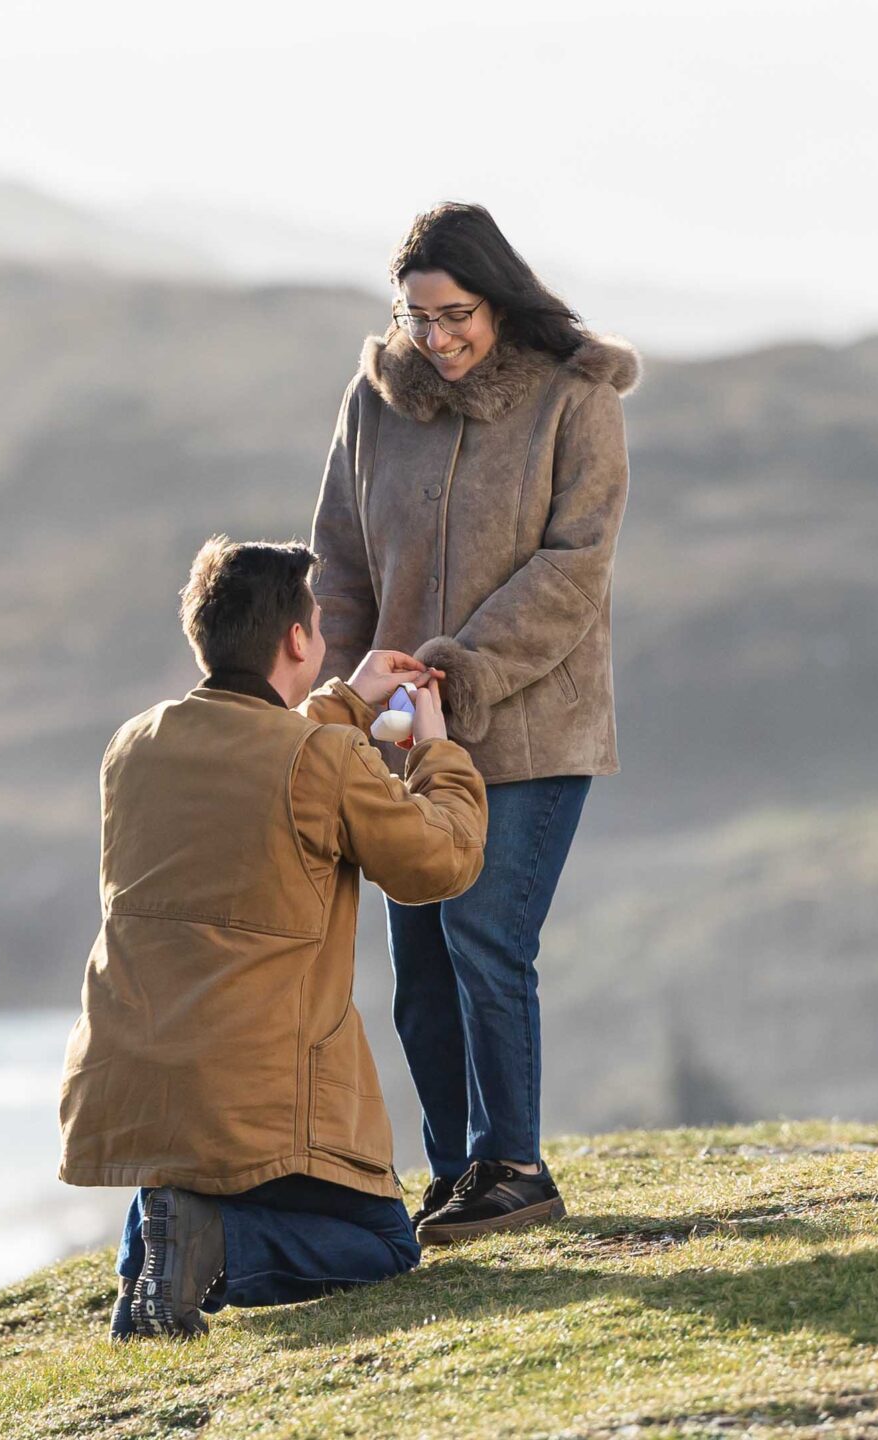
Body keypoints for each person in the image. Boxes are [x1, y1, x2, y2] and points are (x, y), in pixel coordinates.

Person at [57, 537, 488, 1339]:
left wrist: (348, 702)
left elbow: (261, 755)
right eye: (317, 621)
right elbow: (440, 860)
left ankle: (155, 1264)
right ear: (296, 639)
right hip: (264, 1096)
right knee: (383, 1244)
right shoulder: (321, 758)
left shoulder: (134, 747)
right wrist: (435, 751)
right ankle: (212, 1242)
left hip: (141, 1085)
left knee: (188, 1174)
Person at [308, 201, 639, 1245]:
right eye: (416, 318)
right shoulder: (374, 406)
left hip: (535, 726)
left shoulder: (573, 399)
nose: (436, 337)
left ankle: (518, 1168)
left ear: (497, 298)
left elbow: (576, 563)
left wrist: (464, 668)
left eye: (454, 315)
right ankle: (455, 1173)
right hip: (403, 741)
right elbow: (340, 563)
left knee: (483, 936)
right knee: (418, 970)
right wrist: (336, 702)